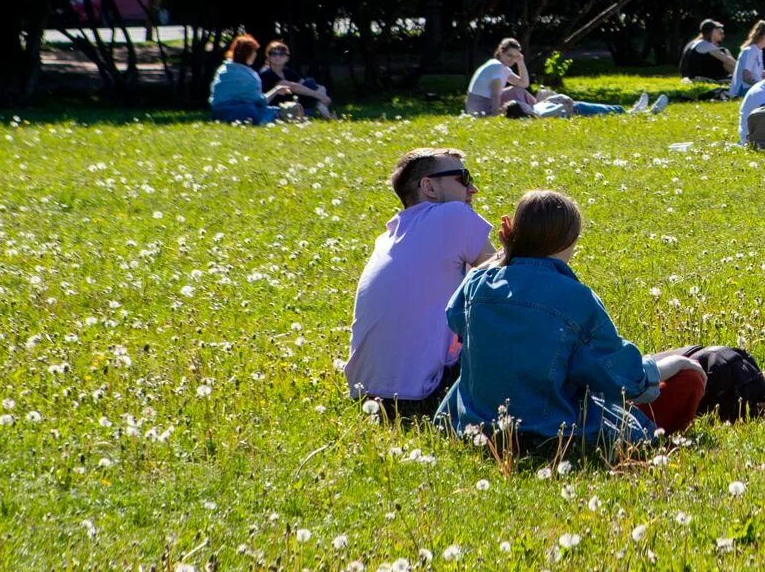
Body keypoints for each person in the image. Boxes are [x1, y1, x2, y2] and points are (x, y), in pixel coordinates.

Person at [436, 190, 705, 456]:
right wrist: (677, 363)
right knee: (688, 380)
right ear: (571, 239)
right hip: (552, 432)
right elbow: (627, 381)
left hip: (473, 426)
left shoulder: (477, 284)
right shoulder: (576, 299)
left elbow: (454, 316)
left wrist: (505, 255)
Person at [345, 149, 493, 419]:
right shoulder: (453, 215)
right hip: (430, 390)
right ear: (429, 186)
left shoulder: (388, 236)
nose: (473, 189)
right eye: (463, 178)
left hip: (365, 392)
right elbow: (503, 281)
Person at [466, 38, 661, 119]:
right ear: (500, 53)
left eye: (514, 57)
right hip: (484, 108)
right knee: (576, 106)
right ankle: (627, 111)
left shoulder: (499, 67)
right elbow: (494, 94)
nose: (511, 60)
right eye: (509, 56)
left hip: (486, 108)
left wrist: (521, 62)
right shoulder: (497, 68)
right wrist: (492, 115)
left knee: (521, 91)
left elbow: (524, 84)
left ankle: (629, 111)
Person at [209, 34, 305, 125]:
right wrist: (276, 90)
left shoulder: (223, 69)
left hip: (218, 112)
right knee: (272, 112)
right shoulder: (246, 76)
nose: (255, 55)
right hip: (240, 112)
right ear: (248, 54)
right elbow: (260, 102)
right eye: (254, 52)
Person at [258, 40, 335, 119]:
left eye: (281, 54)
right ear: (268, 56)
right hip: (277, 109)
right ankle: (324, 112)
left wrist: (320, 89)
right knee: (309, 89)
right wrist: (319, 96)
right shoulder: (266, 73)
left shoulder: (287, 71)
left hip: (294, 106)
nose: (277, 57)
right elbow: (292, 86)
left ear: (287, 58)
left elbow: (303, 83)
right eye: (273, 54)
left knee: (312, 83)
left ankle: (322, 109)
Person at [728, 20, 765, 100]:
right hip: (742, 91)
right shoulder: (750, 51)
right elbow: (746, 77)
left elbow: (759, 72)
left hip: (750, 88)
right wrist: (763, 86)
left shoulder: (758, 50)